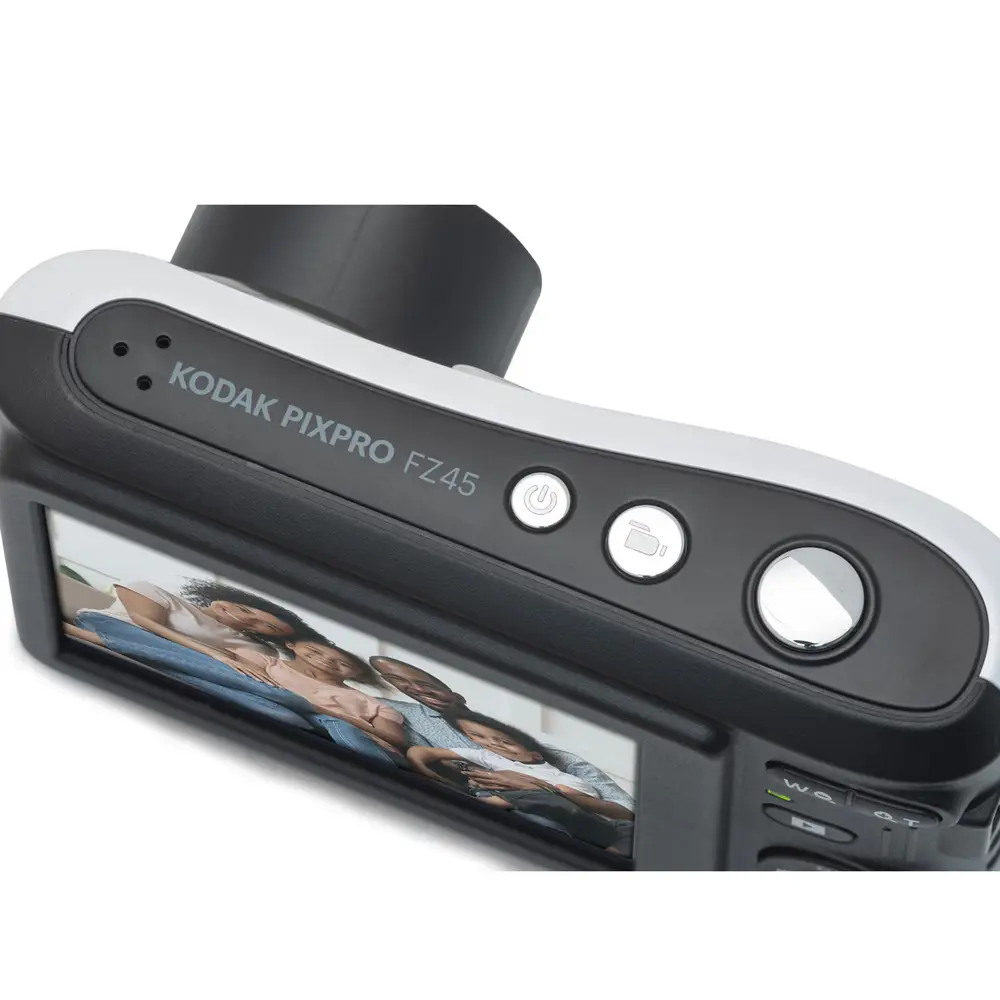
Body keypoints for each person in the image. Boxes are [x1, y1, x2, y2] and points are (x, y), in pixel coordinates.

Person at [371, 656, 636, 814]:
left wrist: (544, 789)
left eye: (426, 686)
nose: (418, 691)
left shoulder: (555, 758)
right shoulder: (405, 714)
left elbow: (626, 810)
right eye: (406, 686)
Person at [406, 711, 630, 850]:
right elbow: (423, 751)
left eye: (506, 742)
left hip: (563, 812)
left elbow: (575, 800)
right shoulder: (488, 756)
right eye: (480, 738)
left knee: (547, 794)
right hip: (508, 802)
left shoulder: (562, 776)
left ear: (536, 755)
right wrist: (423, 769)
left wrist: (540, 787)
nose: (494, 745)